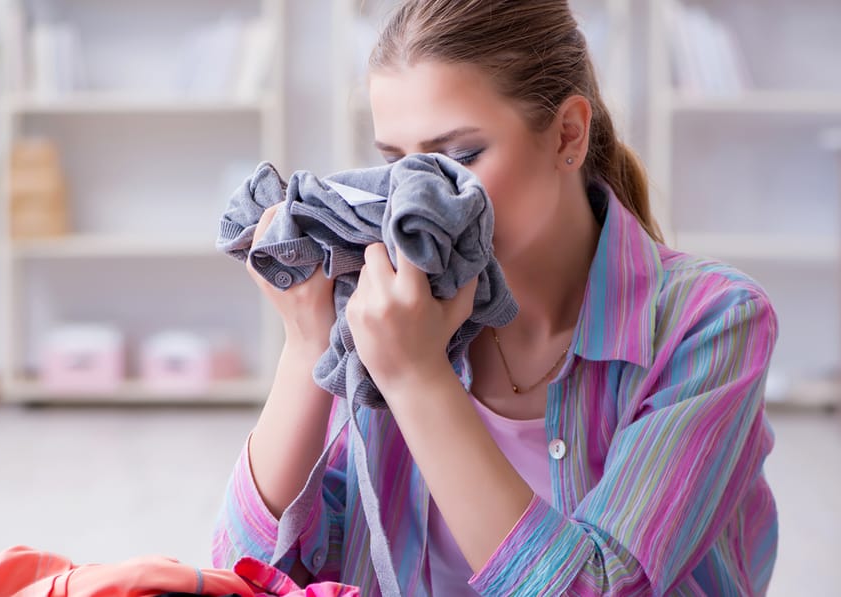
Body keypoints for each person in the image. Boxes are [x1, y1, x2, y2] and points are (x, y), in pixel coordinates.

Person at [212, 1, 778, 595]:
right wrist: (305, 348)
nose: (416, 196)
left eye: (460, 157)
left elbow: (599, 587)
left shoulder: (714, 321)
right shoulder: (391, 311)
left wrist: (418, 380)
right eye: (395, 163)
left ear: (568, 134)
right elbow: (250, 574)